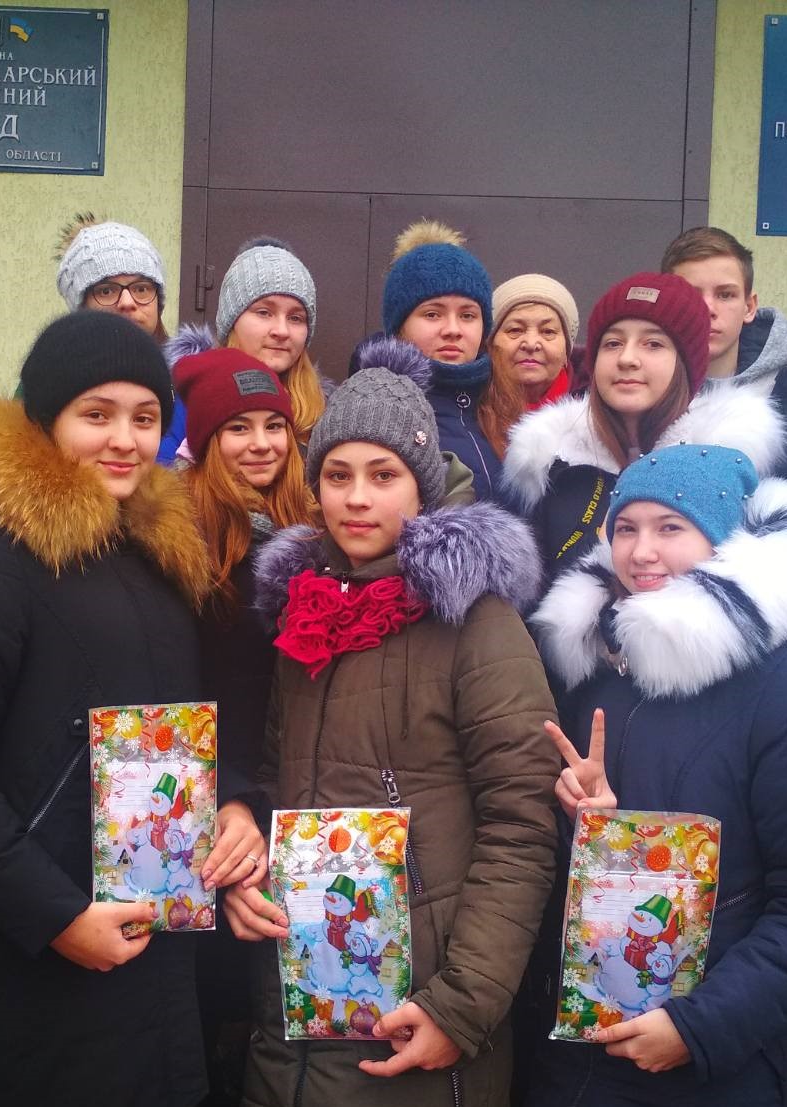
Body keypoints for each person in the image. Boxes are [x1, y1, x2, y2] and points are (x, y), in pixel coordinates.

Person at [0, 312, 266, 1106]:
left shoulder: (158, 554)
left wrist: (229, 799)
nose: (124, 439)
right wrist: (55, 914)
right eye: (97, 414)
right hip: (25, 980)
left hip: (154, 960)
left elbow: (172, 725)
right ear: (47, 419)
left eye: (145, 417)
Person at [225, 336, 562, 1105]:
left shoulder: (476, 623)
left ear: (422, 487)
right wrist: (249, 876)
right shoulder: (302, 615)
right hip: (296, 1013)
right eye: (337, 475)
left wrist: (462, 1006)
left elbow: (521, 825)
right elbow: (279, 784)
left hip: (420, 1016)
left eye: (383, 475)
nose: (357, 497)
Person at [524, 444, 787, 1106]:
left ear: (723, 540)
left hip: (715, 1065)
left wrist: (698, 1028)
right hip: (577, 1061)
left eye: (671, 527)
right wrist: (584, 824)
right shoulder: (594, 670)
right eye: (627, 528)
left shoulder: (786, 684)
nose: (642, 551)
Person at [171, 342, 318, 1105]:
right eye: (237, 428)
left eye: (273, 425)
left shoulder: (313, 532)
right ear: (205, 440)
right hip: (215, 800)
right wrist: (226, 794)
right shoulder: (183, 545)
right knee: (213, 998)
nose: (260, 443)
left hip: (294, 785)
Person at [502, 272, 785, 588]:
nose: (627, 359)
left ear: (686, 364)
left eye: (653, 344)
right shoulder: (549, 464)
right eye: (612, 343)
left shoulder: (732, 466)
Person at [663, 226, 787, 488]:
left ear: (749, 307)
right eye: (690, 295)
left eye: (725, 295)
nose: (708, 308)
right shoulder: (634, 395)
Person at [380, 219, 519, 501]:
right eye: (433, 314)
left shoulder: (505, 405)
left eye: (468, 315)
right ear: (399, 326)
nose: (453, 329)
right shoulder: (377, 412)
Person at [55, 213, 187, 463]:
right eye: (107, 290)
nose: (127, 302)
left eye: (141, 289)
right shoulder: (49, 381)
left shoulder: (190, 384)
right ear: (81, 307)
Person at [211, 236, 327, 440]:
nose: (282, 331)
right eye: (264, 312)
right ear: (231, 322)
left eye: (295, 318)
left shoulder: (329, 416)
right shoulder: (185, 404)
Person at [490, 273, 579, 414]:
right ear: (490, 344)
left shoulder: (594, 416)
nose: (531, 344)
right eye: (515, 330)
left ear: (567, 351)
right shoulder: (464, 412)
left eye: (548, 331)